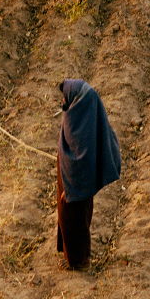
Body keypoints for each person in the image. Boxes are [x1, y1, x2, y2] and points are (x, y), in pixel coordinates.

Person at [56, 79, 121, 270]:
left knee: (75, 221)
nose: (62, 101)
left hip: (76, 186)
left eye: (65, 96)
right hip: (71, 183)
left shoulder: (81, 124)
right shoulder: (78, 115)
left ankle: (79, 263)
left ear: (77, 99)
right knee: (71, 221)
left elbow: (79, 161)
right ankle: (73, 258)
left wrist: (69, 189)